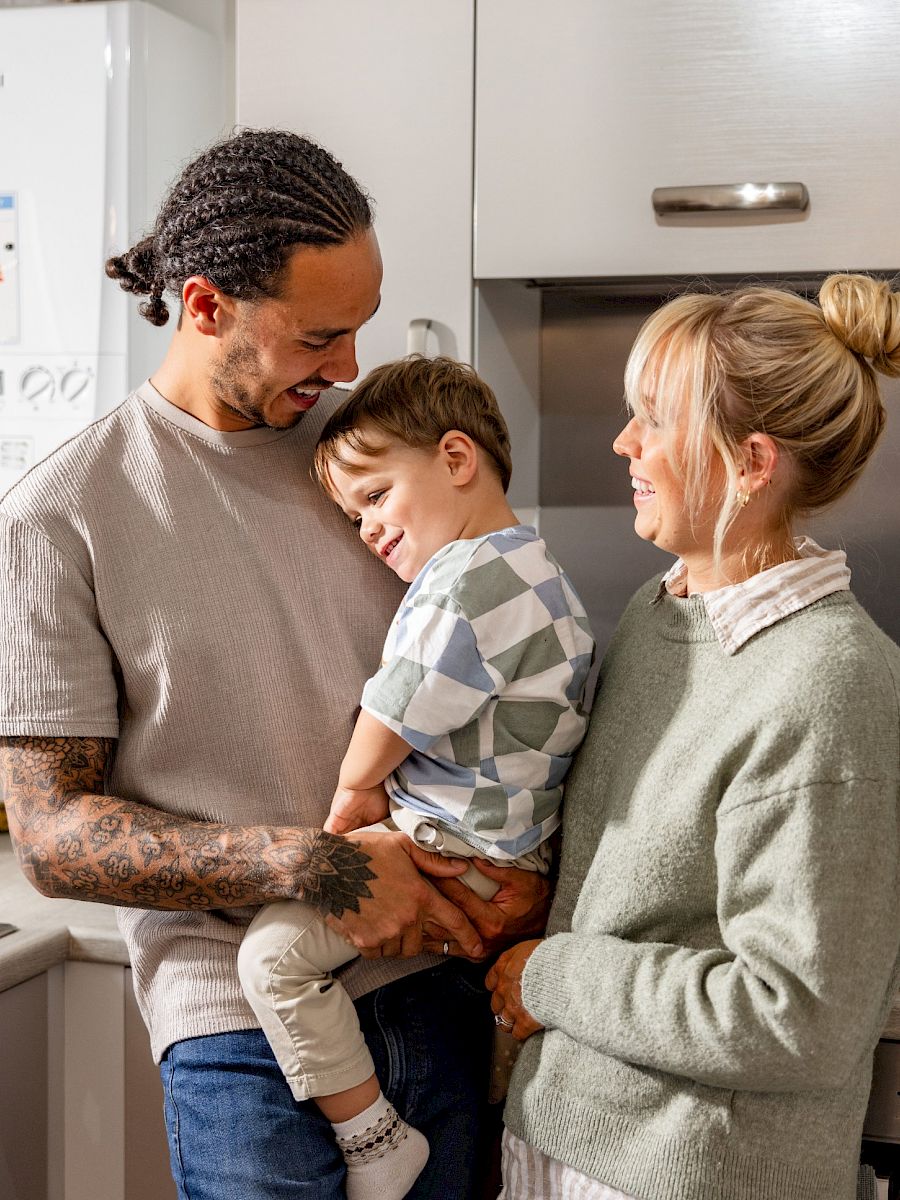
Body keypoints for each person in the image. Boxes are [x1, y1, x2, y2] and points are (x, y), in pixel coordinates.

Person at [0, 128, 552, 1200]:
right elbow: (52, 831)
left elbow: (517, 647)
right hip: (239, 1021)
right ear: (205, 308)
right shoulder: (61, 515)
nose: (348, 367)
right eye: (318, 338)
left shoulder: (382, 461)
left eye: (360, 331)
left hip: (441, 982)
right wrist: (320, 868)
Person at [487, 273, 900, 1200]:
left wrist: (550, 976)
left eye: (656, 420)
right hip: (562, 1139)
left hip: (688, 1171)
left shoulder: (829, 681)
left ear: (751, 463)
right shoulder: (658, 612)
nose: (623, 442)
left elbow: (794, 1015)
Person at [236, 355, 595, 1199]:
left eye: (375, 497)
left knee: (273, 961)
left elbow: (398, 704)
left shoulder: (469, 578)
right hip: (506, 858)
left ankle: (372, 1141)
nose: (366, 529)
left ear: (457, 459)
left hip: (447, 845)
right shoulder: (544, 573)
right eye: (353, 513)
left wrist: (354, 799)